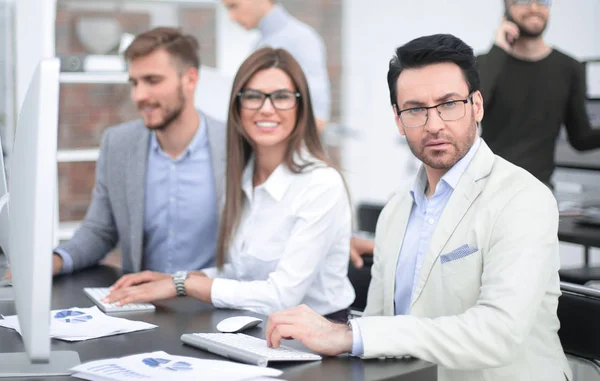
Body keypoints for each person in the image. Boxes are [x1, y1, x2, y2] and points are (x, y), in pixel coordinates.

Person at [265, 34, 572, 381]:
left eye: (449, 104)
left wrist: (348, 334)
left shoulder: (523, 198)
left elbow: (497, 333)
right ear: (398, 119)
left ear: (477, 106)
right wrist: (323, 335)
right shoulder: (396, 210)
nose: (434, 124)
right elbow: (381, 327)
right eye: (415, 110)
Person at [104, 48, 355, 321]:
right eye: (253, 97)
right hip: (255, 327)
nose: (266, 109)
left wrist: (185, 285)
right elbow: (240, 273)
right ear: (237, 107)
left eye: (282, 97)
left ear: (301, 107)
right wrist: (177, 279)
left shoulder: (321, 184)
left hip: (319, 338)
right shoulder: (242, 176)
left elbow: (280, 297)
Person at [3, 27, 226, 280]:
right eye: (134, 82)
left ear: (190, 80)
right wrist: (53, 261)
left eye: (153, 81)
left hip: (215, 307)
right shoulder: (119, 144)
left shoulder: (233, 146)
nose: (139, 95)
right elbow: (100, 231)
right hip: (142, 307)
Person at [478, 0, 600, 187]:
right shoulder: (486, 64)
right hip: (487, 188)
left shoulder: (570, 68)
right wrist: (498, 49)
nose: (534, 8)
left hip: (539, 189)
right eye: (524, 1)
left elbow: (581, 138)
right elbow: (473, 110)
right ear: (507, 7)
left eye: (542, 1)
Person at [222, 0, 331, 131]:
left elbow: (317, 117)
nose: (231, 17)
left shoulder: (301, 40)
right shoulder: (259, 44)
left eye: (233, 6)